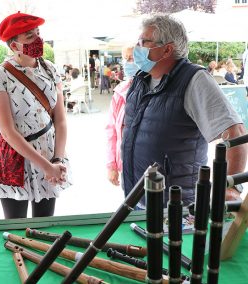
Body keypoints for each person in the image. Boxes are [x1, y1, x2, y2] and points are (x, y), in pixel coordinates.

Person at [122, 15, 247, 208]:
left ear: (167, 49)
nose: (136, 47)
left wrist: (230, 187)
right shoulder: (141, 79)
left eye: (143, 42)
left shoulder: (194, 80)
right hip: (137, 200)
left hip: (176, 207)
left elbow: (235, 133)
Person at [0, 12, 71, 219]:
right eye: (30, 37)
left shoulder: (50, 70)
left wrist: (57, 160)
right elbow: (8, 131)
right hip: (13, 154)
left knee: (45, 222)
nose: (38, 40)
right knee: (16, 224)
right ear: (14, 46)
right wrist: (46, 166)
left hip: (48, 150)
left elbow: (60, 119)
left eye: (38, 33)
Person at [106, 45, 138, 188]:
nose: (127, 63)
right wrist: (112, 165)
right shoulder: (120, 91)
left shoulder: (157, 88)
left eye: (132, 58)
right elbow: (111, 130)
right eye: (126, 59)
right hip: (125, 163)